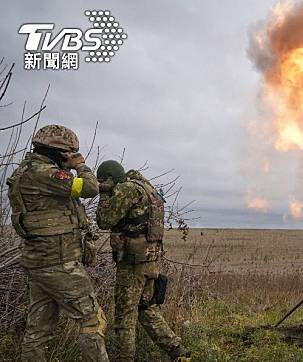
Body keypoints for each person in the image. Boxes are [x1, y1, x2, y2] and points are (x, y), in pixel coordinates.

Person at [6, 125, 108, 361]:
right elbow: (90, 188)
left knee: (38, 328)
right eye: (69, 153)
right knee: (92, 319)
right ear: (62, 153)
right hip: (57, 262)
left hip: (39, 261)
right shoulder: (45, 174)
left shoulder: (27, 171)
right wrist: (80, 165)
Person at [95, 160, 190, 362]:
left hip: (133, 263)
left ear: (110, 179)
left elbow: (104, 220)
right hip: (150, 260)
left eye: (102, 181)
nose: (101, 184)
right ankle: (177, 352)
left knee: (124, 317)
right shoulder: (147, 188)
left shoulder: (127, 190)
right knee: (146, 308)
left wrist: (103, 193)